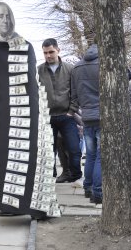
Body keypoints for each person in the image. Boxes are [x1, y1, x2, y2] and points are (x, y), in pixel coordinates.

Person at [0, 2, 59, 219]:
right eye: (0, 16)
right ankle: (9, 204)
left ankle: (35, 207)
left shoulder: (24, 46)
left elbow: (31, 86)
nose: (5, 20)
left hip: (24, 114)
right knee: (0, 159)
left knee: (27, 158)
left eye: (8, 16)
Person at [37, 38, 82, 183]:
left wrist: (72, 110)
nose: (48, 55)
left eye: (51, 52)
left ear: (58, 50)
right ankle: (51, 175)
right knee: (49, 151)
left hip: (66, 115)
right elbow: (35, 93)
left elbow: (75, 92)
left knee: (74, 149)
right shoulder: (38, 70)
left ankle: (75, 174)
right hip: (47, 117)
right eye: (45, 53)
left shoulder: (70, 69)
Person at [71, 43, 102, 204]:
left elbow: (74, 95)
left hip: (87, 116)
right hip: (103, 116)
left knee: (90, 155)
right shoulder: (104, 64)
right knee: (100, 157)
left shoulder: (76, 68)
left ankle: (88, 187)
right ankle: (98, 193)